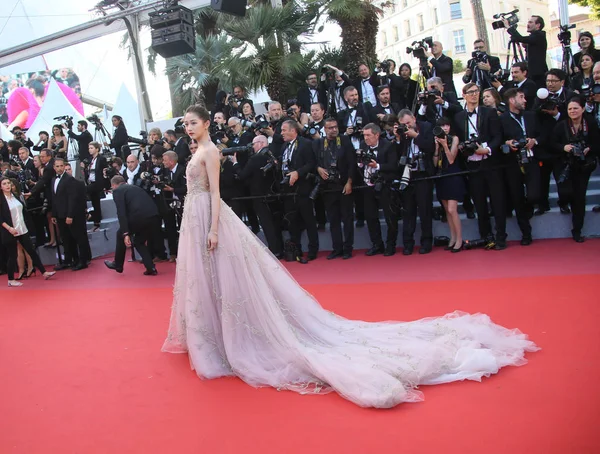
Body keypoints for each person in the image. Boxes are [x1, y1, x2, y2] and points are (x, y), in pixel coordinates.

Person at [161, 104, 539, 409]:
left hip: (208, 219)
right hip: (194, 221)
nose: (188, 128)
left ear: (208, 123)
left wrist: (212, 229)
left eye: (193, 123)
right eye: (185, 124)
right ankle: (211, 335)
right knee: (208, 278)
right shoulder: (195, 151)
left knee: (226, 275)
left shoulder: (211, 152)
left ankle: (229, 338)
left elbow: (215, 194)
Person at [551, 96, 599, 242]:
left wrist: (589, 148)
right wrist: (564, 147)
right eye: (570, 109)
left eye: (576, 108)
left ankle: (577, 229)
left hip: (584, 166)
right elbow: (551, 143)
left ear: (583, 109)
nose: (573, 111)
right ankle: (563, 202)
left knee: (579, 197)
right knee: (566, 192)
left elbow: (597, 142)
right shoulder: (562, 125)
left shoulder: (590, 123)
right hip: (565, 164)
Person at [1, 176, 56, 286]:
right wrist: (9, 228)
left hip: (22, 228)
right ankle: (10, 279)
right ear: (1, 187)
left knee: (31, 251)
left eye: (9, 183)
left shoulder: (15, 196)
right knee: (12, 255)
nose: (7, 185)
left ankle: (44, 272)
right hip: (9, 230)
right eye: (5, 184)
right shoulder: (1, 200)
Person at [104, 176, 159, 275]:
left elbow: (121, 213)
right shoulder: (135, 187)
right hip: (153, 216)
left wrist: (126, 233)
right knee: (139, 241)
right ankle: (150, 267)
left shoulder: (118, 191)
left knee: (120, 234)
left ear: (113, 185)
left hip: (139, 218)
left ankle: (118, 264)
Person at [51, 158, 91, 271]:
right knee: (66, 238)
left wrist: (70, 215)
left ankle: (83, 261)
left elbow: (72, 199)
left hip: (70, 215)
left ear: (64, 166)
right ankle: (70, 260)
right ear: (54, 167)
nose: (59, 168)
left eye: (61, 166)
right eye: (57, 166)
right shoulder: (53, 180)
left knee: (78, 237)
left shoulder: (70, 180)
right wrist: (54, 214)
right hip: (59, 215)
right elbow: (54, 198)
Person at [433, 118, 465, 252]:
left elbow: (451, 159)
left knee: (452, 209)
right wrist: (436, 146)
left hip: (453, 175)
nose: (445, 128)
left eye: (447, 125)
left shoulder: (454, 139)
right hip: (442, 177)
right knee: (447, 211)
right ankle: (452, 238)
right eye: (442, 126)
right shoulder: (437, 141)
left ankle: (459, 239)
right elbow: (435, 163)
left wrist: (445, 145)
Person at [505, 15, 548, 88]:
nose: (528, 24)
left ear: (538, 25)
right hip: (534, 73)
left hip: (537, 74)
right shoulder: (535, 36)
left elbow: (521, 38)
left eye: (531, 22)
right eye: (528, 22)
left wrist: (508, 27)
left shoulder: (539, 35)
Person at [81, 141, 109, 232]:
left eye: (92, 148)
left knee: (82, 191)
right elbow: (88, 173)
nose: (90, 150)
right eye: (89, 148)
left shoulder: (101, 159)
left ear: (97, 149)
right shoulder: (90, 159)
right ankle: (97, 223)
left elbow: (105, 171)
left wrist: (106, 184)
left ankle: (86, 213)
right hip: (91, 182)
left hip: (98, 183)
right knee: (95, 203)